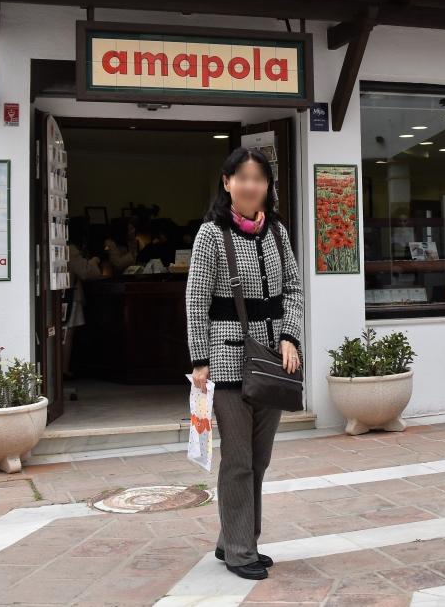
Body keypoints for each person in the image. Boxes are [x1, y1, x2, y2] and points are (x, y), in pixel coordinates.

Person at [186, 147, 303, 582]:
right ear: (227, 182)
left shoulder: (278, 232)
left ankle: (234, 539)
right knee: (238, 460)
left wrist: (290, 336)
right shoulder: (211, 235)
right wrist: (200, 361)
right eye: (243, 177)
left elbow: (293, 290)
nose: (251, 185)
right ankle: (240, 550)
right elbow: (196, 301)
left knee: (260, 458)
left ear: (268, 186)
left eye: (259, 178)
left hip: (272, 363)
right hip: (226, 363)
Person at [63, 219, 109, 379]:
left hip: (63, 295)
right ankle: (64, 368)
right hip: (70, 295)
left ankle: (62, 367)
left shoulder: (61, 247)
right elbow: (86, 272)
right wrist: (94, 260)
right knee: (68, 333)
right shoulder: (71, 250)